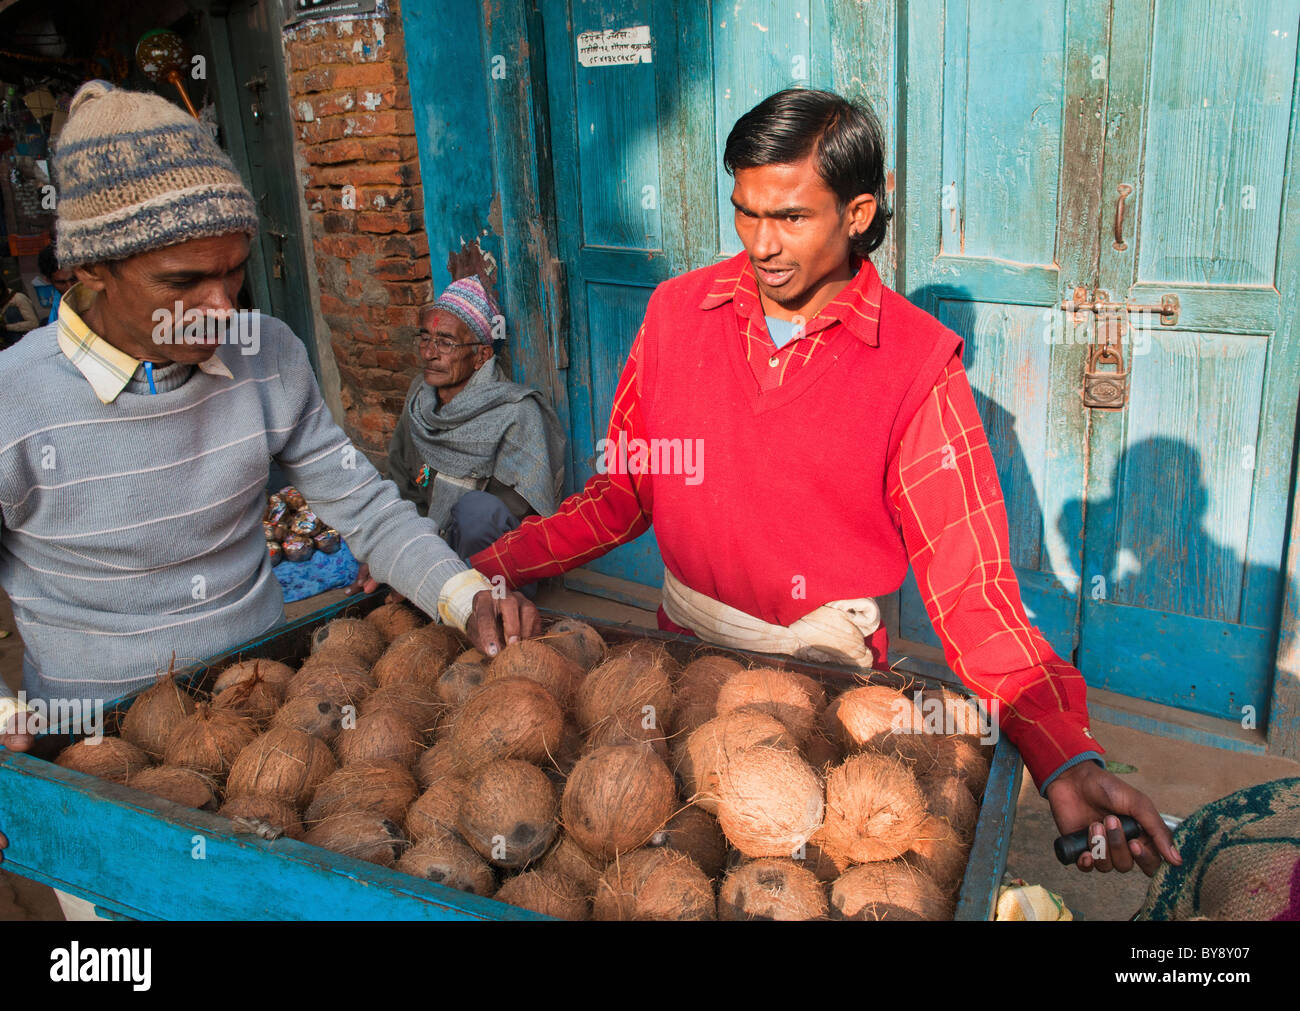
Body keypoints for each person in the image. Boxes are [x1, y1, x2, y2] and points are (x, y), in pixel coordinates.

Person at [471, 88, 1181, 877]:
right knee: (660, 869)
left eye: (791, 218)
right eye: (746, 211)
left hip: (829, 695)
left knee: (793, 881)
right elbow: (620, 496)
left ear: (857, 211)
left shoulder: (916, 368)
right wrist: (483, 566)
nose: (761, 243)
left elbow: (971, 592)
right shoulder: (676, 317)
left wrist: (1064, 754)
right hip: (676, 669)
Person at [0, 83, 536, 775]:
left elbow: (365, 507)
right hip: (92, 748)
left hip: (267, 706)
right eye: (184, 281)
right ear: (91, 268)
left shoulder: (268, 353)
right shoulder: (15, 401)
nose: (221, 307)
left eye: (234, 272)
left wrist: (462, 595)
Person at [349, 277, 566, 597]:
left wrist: (437, 563)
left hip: (495, 564)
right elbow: (400, 481)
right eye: (426, 338)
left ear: (481, 356)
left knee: (476, 510)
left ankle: (470, 599)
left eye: (446, 342)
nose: (430, 353)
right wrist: (394, 551)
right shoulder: (419, 401)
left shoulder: (517, 413)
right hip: (429, 544)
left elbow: (506, 517)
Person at [37, 244, 76, 324]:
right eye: (62, 282)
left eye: (74, 279)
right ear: (48, 280)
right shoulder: (57, 304)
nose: (70, 287)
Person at [0, 275, 40, 350]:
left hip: (24, 337)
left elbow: (34, 323)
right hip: (8, 337)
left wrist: (7, 327)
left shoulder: (18, 299)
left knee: (11, 311)